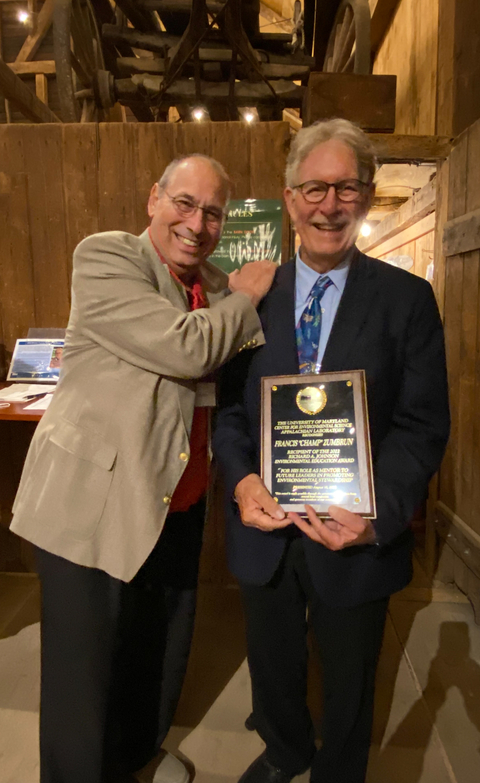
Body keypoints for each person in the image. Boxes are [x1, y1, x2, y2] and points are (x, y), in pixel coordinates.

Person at [10, 154, 277, 783]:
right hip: (94, 500)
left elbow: (232, 374)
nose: (197, 222)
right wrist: (246, 299)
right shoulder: (107, 256)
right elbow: (184, 347)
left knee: (152, 651)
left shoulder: (213, 285)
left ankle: (134, 756)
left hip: (175, 501)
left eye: (213, 212)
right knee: (84, 672)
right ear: (155, 199)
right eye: (185, 203)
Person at [212, 119, 450, 783]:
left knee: (350, 678)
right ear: (289, 199)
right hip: (268, 528)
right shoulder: (251, 299)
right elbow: (229, 412)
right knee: (273, 661)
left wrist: (378, 515)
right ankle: (285, 749)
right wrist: (241, 483)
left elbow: (423, 424)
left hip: (356, 533)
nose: (329, 203)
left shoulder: (407, 301)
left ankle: (339, 771)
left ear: (367, 198)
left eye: (347, 187)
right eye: (314, 187)